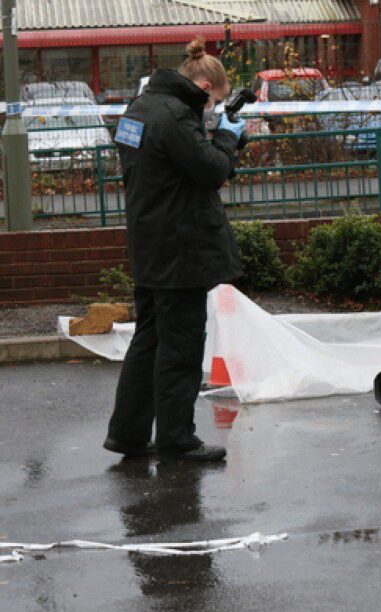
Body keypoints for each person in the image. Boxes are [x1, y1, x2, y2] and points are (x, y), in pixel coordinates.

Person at [103, 38, 248, 463]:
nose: (210, 110)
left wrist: (213, 137)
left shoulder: (139, 109)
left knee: (147, 342)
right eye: (213, 102)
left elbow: (162, 168)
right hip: (180, 249)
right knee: (181, 347)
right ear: (204, 85)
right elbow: (211, 171)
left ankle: (127, 435)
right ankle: (177, 439)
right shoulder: (175, 117)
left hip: (149, 244)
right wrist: (226, 139)